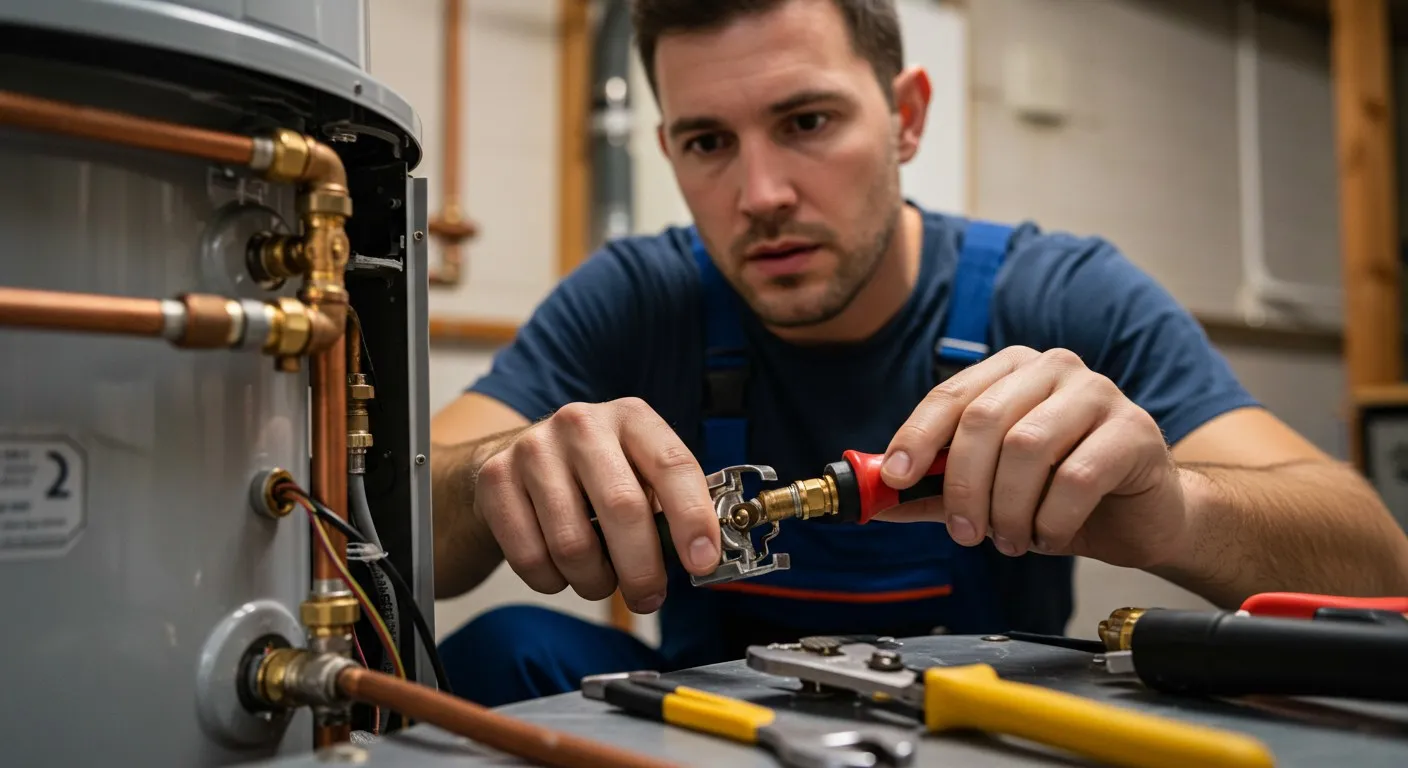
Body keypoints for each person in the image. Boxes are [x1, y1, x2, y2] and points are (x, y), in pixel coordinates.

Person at [428, 0, 1408, 707]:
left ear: (905, 116)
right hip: (711, 726)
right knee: (505, 650)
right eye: (708, 142)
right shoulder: (635, 297)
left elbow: (1376, 560)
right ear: (669, 149)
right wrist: (491, 482)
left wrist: (1175, 512)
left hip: (980, 730)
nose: (759, 191)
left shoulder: (1060, 293)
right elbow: (371, 536)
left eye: (805, 122)